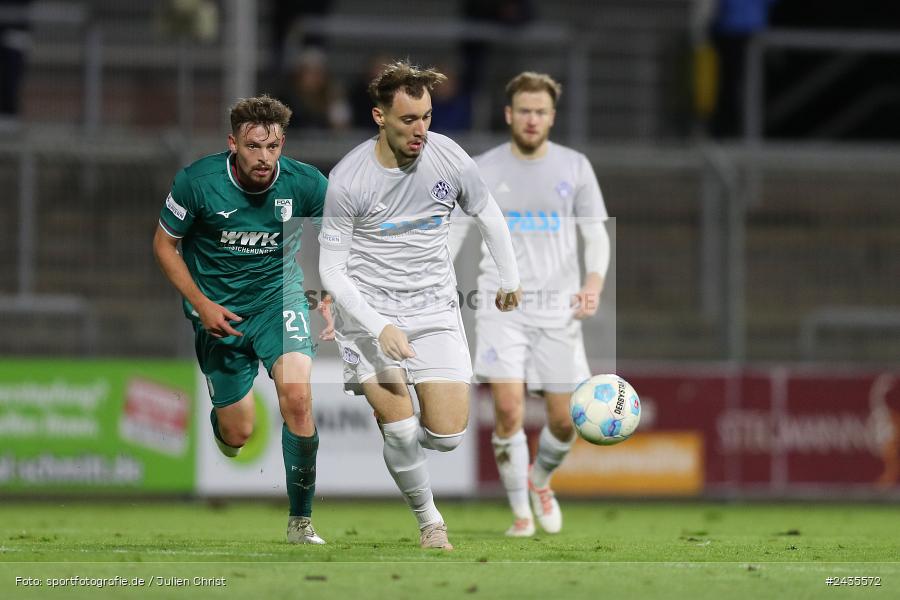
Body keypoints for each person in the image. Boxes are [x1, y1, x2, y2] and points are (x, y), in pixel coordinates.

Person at [318, 60, 522, 551]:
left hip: (434, 309)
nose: (421, 130)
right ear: (379, 117)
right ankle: (431, 522)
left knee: (448, 436)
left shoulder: (448, 157)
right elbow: (331, 271)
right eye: (409, 119)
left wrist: (511, 277)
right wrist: (377, 324)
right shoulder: (348, 179)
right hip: (367, 318)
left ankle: (398, 438)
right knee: (403, 429)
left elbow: (487, 213)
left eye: (427, 117)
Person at [153, 95, 330, 544]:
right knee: (239, 436)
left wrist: (329, 291)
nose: (264, 158)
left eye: (273, 147)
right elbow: (163, 245)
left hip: (279, 300)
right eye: (254, 147)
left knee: (298, 397)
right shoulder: (197, 182)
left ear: (282, 143)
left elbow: (339, 239)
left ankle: (300, 522)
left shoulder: (306, 183)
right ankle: (223, 424)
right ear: (233, 143)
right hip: (219, 313)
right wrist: (201, 304)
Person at [449, 72, 610, 537]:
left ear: (552, 116)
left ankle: (540, 480)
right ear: (509, 114)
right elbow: (454, 234)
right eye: (524, 110)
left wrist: (594, 282)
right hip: (502, 309)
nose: (532, 118)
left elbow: (595, 232)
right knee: (507, 409)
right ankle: (521, 515)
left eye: (540, 111)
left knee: (566, 420)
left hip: (559, 311)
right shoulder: (482, 169)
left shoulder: (575, 167)